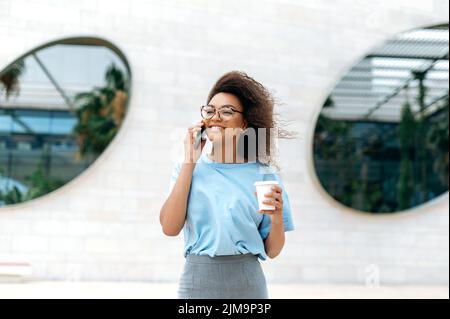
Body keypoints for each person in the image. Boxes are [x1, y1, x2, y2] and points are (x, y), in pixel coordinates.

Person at [159, 71, 296, 299]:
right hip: (197, 283)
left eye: (227, 111)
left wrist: (277, 216)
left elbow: (273, 250)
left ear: (244, 123)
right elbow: (169, 228)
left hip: (248, 284)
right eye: (210, 111)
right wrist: (189, 163)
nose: (215, 117)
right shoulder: (187, 169)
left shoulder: (263, 175)